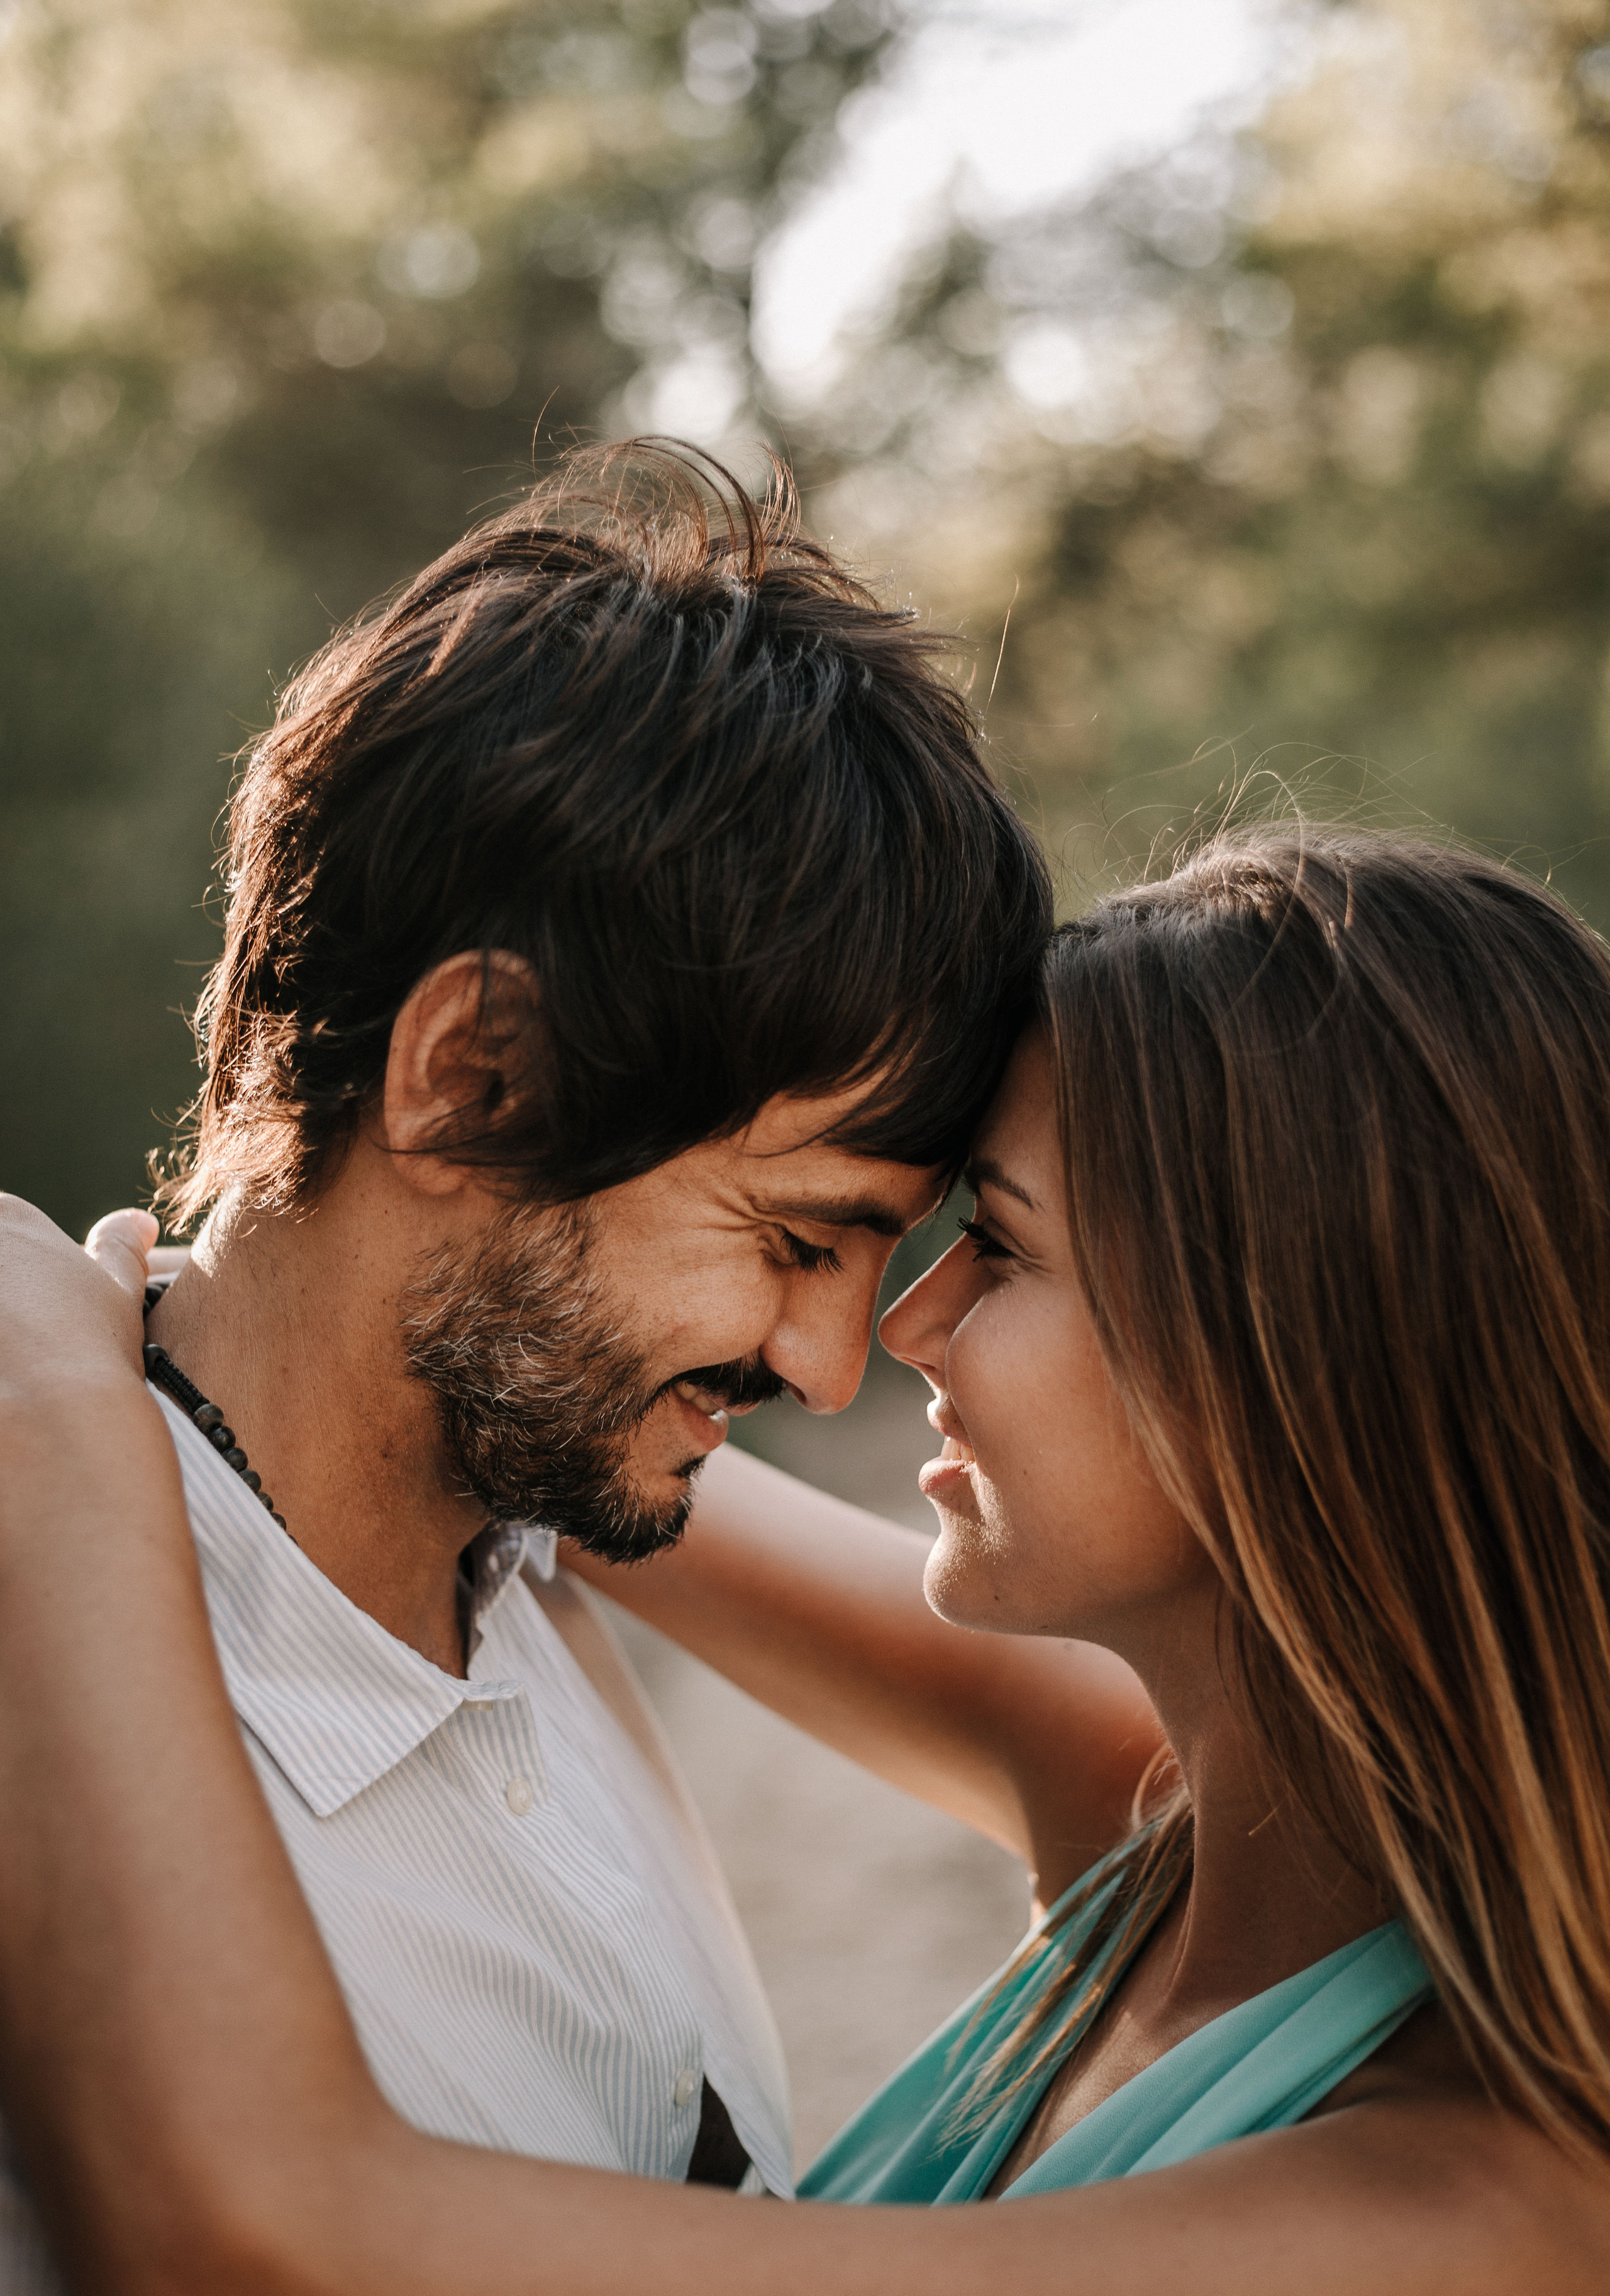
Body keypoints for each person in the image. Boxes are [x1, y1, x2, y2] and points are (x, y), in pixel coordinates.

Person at [3, 824, 1609, 2292]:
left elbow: (252, 2235)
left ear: (1294, 1374)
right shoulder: (1194, 1843)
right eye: (822, 1245)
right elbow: (483, 1393)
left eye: (999, 1243)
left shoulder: (1472, 2219)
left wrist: (65, 1437)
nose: (889, 1335)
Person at [0, 440, 1057, 2282]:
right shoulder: (64, 1711)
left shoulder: (530, 1541)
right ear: (473, 1075)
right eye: (795, 1240)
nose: (828, 1373)